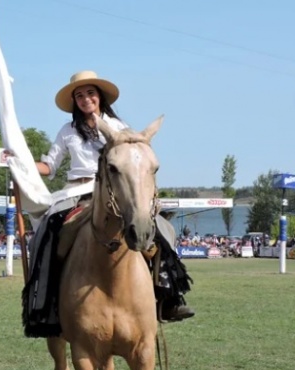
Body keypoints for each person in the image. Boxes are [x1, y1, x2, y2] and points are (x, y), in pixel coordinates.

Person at [33, 70, 194, 322]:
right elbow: (50, 167)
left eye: (90, 93)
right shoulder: (67, 131)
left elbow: (135, 161)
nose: (86, 99)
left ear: (100, 97)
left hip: (116, 192)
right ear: (74, 101)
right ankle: (45, 299)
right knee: (49, 225)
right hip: (77, 191)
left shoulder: (120, 127)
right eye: (79, 95)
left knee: (163, 229)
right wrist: (21, 162)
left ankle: (168, 298)